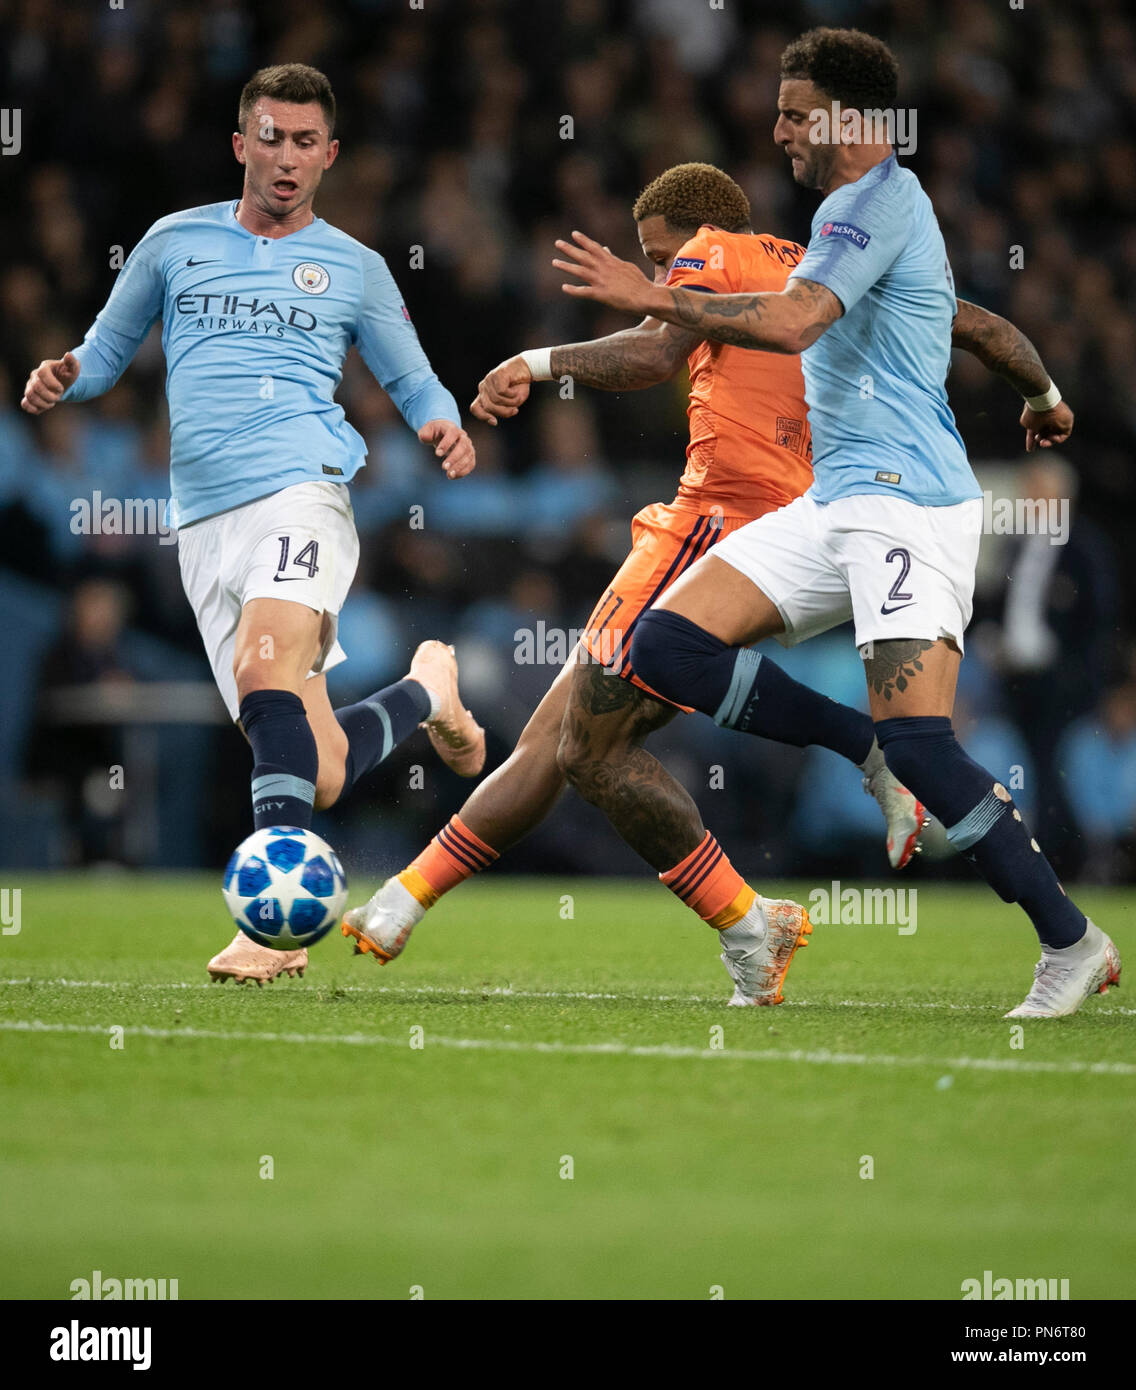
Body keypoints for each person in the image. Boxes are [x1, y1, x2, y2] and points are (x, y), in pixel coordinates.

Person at [344, 160, 1058, 1008]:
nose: (658, 275)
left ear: (694, 230)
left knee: (576, 743)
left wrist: (535, 363)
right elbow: (978, 327)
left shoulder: (713, 250)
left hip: (717, 524)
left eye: (658, 255)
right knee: (574, 734)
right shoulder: (829, 264)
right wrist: (1044, 395)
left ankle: (774, 888)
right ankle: (408, 900)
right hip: (811, 526)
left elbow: (652, 353)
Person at [553, 27, 1120, 1017]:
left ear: (849, 120)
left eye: (792, 113)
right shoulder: (848, 218)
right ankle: (861, 743)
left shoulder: (875, 202)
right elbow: (976, 326)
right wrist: (1041, 395)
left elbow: (790, 323)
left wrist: (656, 302)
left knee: (926, 748)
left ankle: (1068, 941)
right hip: (837, 502)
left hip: (907, 506)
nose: (773, 129)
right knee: (667, 644)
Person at [20, 63, 485, 985]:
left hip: (303, 491)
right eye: (270, 137)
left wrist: (442, 420)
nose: (286, 157)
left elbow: (411, 374)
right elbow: (110, 351)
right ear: (242, 144)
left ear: (330, 155)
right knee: (316, 768)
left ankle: (271, 930)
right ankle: (429, 690)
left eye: (305, 142)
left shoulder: (355, 265)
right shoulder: (171, 243)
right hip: (203, 522)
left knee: (263, 665)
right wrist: (67, 370)